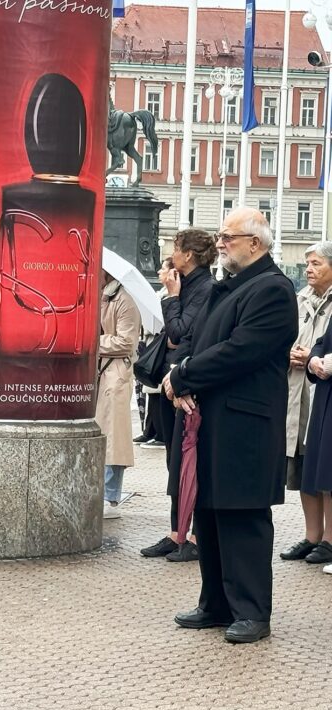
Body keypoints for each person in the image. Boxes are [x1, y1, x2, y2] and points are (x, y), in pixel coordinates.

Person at [165, 208, 298, 644]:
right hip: (211, 419)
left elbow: (240, 351)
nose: (220, 243)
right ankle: (216, 604)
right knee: (209, 512)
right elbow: (197, 343)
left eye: (228, 237)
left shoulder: (273, 289)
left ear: (255, 243)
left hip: (245, 424)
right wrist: (180, 373)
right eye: (220, 236)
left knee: (242, 516)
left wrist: (184, 375)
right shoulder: (229, 287)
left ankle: (252, 612)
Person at [140, 228, 215, 562]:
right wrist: (172, 302)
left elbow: (181, 332)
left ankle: (196, 536)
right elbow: (173, 335)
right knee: (174, 461)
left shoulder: (205, 288)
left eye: (176, 247)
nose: (171, 252)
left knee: (190, 462)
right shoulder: (185, 284)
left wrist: (171, 298)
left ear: (189, 254)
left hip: (187, 383)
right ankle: (177, 531)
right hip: (171, 382)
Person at [280, 243, 332, 565]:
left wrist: (312, 357)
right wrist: (290, 353)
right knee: (303, 466)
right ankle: (312, 535)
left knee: (326, 468)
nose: (309, 269)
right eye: (307, 263)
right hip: (298, 391)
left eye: (316, 263)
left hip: (322, 392)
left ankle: (328, 539)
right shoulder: (299, 300)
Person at [96, 268, 141, 520]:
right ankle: (101, 492)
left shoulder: (124, 300)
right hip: (102, 372)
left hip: (116, 373)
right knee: (103, 434)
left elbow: (127, 342)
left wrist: (96, 341)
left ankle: (110, 496)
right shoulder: (102, 296)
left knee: (114, 437)